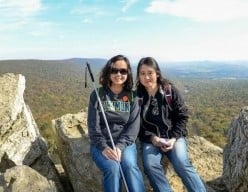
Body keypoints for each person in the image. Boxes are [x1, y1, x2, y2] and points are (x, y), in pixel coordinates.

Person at [136, 57, 206, 192]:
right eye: (142, 73)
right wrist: (152, 138)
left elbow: (183, 116)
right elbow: (137, 125)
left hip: (174, 136)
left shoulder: (169, 91)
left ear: (157, 73)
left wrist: (173, 138)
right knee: (150, 165)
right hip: (152, 139)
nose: (147, 77)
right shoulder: (138, 97)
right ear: (138, 76)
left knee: (181, 163)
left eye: (150, 72)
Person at [87, 54, 145, 192]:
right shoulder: (98, 94)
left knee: (130, 166)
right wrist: (104, 147)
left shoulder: (132, 96)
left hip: (124, 144)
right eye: (114, 70)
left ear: (128, 73)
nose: (118, 74)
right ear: (108, 72)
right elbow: (93, 126)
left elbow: (133, 127)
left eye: (123, 71)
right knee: (113, 168)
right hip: (102, 143)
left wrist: (119, 147)